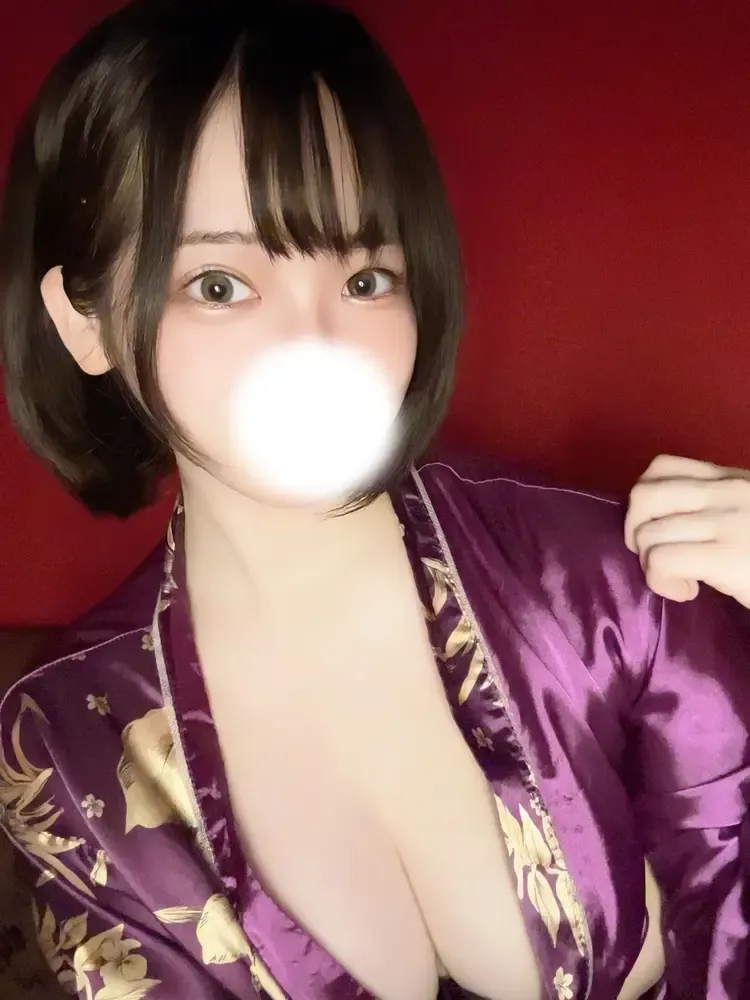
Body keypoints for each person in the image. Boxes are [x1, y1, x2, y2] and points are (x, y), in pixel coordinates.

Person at [0, 1, 747, 998]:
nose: (317, 344)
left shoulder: (606, 581)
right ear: (84, 324)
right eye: (219, 284)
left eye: (365, 278)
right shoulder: (66, 744)